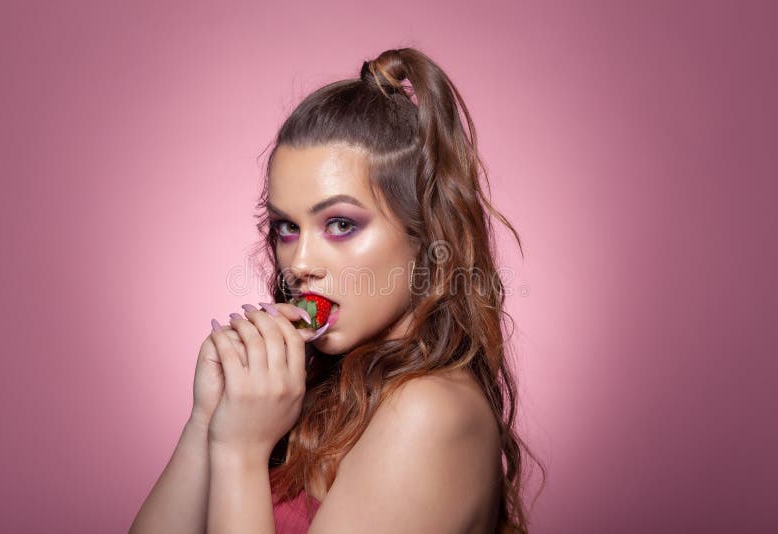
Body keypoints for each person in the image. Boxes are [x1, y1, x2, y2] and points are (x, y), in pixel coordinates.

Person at [130, 47, 544, 534]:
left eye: (341, 224)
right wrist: (208, 420)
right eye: (287, 227)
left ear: (425, 236)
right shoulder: (315, 391)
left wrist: (239, 452)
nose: (300, 264)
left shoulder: (430, 414)